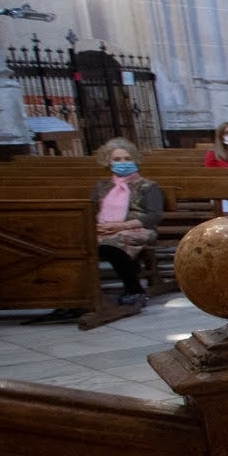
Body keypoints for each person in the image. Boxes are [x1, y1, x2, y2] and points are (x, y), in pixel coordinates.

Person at [83, 137, 163, 330]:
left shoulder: (148, 186)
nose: (122, 163)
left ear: (135, 159)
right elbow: (90, 211)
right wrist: (97, 226)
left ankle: (134, 289)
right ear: (108, 161)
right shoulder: (102, 186)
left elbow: (153, 216)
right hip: (104, 227)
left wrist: (121, 226)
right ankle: (83, 295)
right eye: (117, 159)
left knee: (113, 244)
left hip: (138, 228)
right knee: (91, 243)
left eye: (127, 158)